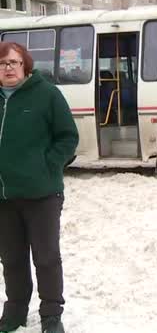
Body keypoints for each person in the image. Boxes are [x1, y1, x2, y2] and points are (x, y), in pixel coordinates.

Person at [0, 42, 79, 333]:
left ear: (25, 66)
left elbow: (68, 137)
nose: (8, 68)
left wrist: (49, 165)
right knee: (12, 259)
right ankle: (15, 312)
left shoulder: (47, 95)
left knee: (46, 257)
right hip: (4, 197)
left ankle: (51, 316)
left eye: (14, 62)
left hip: (42, 194)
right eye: (2, 63)